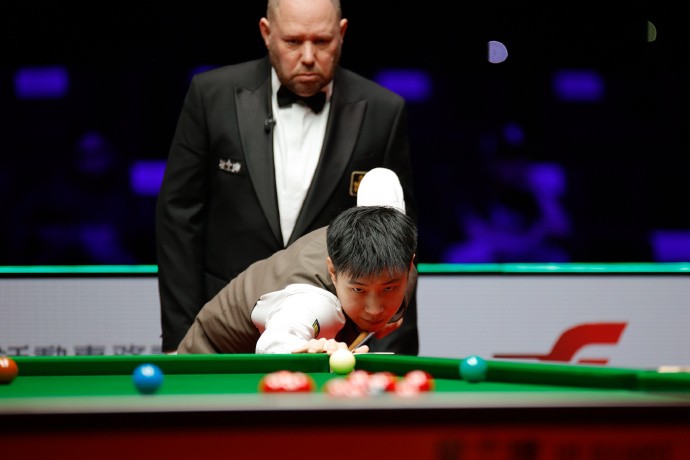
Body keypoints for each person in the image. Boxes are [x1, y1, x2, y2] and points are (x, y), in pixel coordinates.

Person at [156, 0, 418, 354]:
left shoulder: (383, 110)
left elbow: (398, 234)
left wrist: (394, 343)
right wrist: (180, 342)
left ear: (341, 33)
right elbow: (178, 220)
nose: (308, 56)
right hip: (227, 326)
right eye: (293, 41)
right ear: (267, 33)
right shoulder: (211, 95)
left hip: (331, 339)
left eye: (322, 41)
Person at [177, 204, 417, 355]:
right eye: (358, 290)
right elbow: (274, 345)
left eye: (389, 288)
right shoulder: (312, 302)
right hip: (208, 367)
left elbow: (381, 182)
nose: (374, 309)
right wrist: (304, 349)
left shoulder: (396, 253)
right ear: (332, 271)